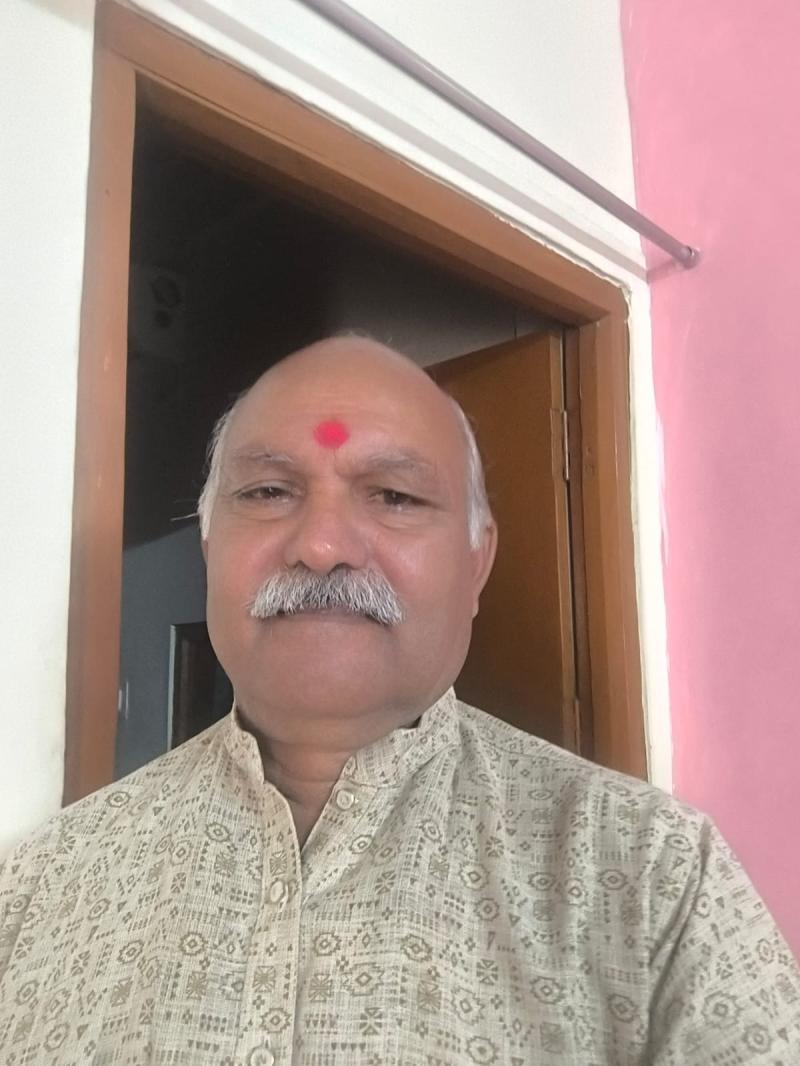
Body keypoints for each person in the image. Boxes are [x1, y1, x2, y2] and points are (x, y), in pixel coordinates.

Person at [0, 336, 798, 1066]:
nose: (322, 546)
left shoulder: (653, 873)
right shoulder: (38, 887)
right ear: (211, 551)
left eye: (394, 496)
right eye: (269, 490)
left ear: (477, 564)